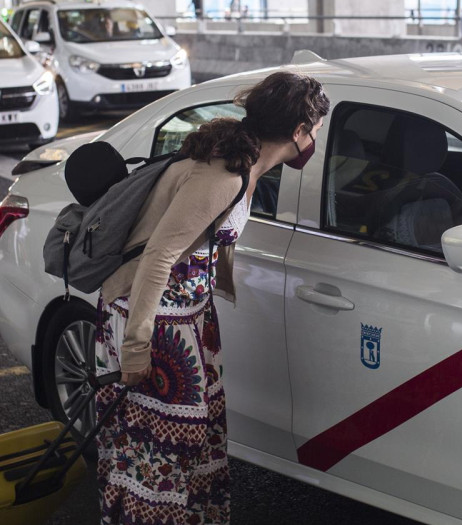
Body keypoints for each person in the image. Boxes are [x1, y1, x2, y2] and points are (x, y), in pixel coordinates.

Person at [94, 71, 330, 525]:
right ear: (299, 132)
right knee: (159, 448)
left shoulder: (244, 164)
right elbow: (159, 257)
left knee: (197, 442)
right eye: (315, 130)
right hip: (155, 319)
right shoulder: (225, 175)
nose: (314, 139)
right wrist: (137, 345)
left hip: (189, 319)